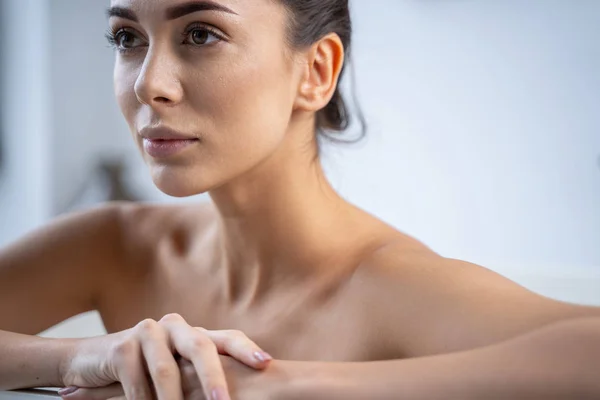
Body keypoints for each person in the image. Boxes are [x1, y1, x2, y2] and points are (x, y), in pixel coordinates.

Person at [1, 0, 599, 399]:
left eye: (201, 33)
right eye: (127, 38)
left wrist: (277, 385)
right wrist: (83, 357)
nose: (147, 84)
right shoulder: (115, 247)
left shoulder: (393, 289)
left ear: (316, 71)